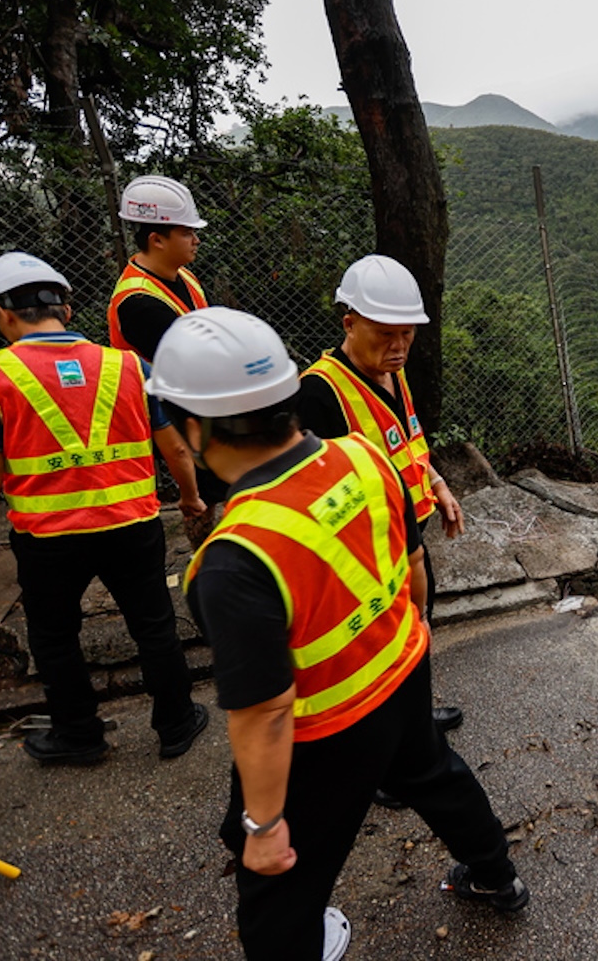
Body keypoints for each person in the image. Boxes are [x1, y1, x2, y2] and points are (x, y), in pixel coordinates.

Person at [149, 307, 528, 961]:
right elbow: (411, 567)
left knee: (280, 889)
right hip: (402, 674)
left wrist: (264, 828)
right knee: (436, 774)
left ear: (194, 426)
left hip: (325, 731)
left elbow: (265, 712)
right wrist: (416, 642)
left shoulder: (232, 560)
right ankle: (498, 876)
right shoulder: (362, 455)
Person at [0, 252, 209, 765]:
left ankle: (79, 735)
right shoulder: (128, 365)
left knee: (54, 637)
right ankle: (176, 724)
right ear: (65, 310)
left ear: (2, 313)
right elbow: (174, 446)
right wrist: (191, 496)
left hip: (49, 537)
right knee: (154, 624)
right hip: (133, 525)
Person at [296, 254, 464, 734]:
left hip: (407, 538)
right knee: (377, 653)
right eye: (385, 334)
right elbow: (315, 494)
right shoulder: (318, 395)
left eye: (407, 334)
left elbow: (409, 441)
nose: (399, 346)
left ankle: (414, 726)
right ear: (350, 324)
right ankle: (388, 755)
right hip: (365, 557)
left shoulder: (393, 372)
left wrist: (437, 484)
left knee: (416, 631)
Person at [108, 173, 224, 548]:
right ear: (157, 239)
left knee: (220, 487)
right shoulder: (138, 303)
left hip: (198, 404)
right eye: (187, 233)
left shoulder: (182, 277)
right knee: (202, 498)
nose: (196, 240)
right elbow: (195, 361)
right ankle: (206, 561)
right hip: (171, 414)